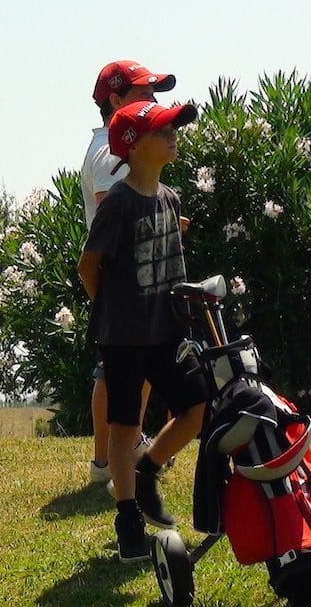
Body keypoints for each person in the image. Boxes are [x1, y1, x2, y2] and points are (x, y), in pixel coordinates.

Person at [78, 99, 207, 562]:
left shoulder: (170, 199)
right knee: (125, 424)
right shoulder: (118, 203)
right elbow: (88, 267)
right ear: (134, 147)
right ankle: (129, 515)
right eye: (162, 130)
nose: (173, 135)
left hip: (167, 331)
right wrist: (112, 309)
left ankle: (148, 470)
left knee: (195, 408)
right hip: (125, 337)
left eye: (174, 128)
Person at [84, 60, 177, 486]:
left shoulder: (110, 148)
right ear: (117, 101)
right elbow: (111, 224)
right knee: (114, 374)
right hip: (124, 286)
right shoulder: (109, 154)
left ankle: (123, 451)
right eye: (144, 95)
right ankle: (106, 464)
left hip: (135, 285)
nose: (153, 103)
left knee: (128, 375)